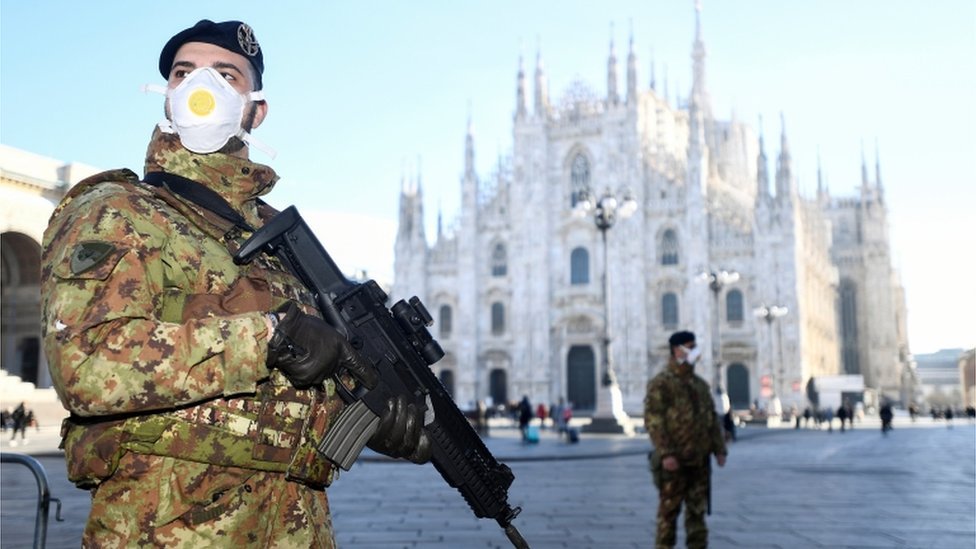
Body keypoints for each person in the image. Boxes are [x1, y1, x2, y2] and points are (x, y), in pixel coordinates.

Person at [40, 20, 430, 547]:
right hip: (166, 530)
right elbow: (87, 365)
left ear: (256, 108)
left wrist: (368, 416)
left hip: (296, 529)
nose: (204, 90)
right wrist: (269, 338)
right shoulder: (117, 212)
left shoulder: (279, 239)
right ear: (168, 96)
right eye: (185, 73)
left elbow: (294, 387)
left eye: (226, 75)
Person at [644, 331, 728, 548]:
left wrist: (719, 449)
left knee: (697, 514)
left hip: (699, 461)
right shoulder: (661, 383)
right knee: (668, 514)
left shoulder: (700, 385)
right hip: (675, 461)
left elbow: (710, 419)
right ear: (677, 350)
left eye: (695, 345)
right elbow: (654, 421)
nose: (695, 350)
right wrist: (666, 453)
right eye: (690, 346)